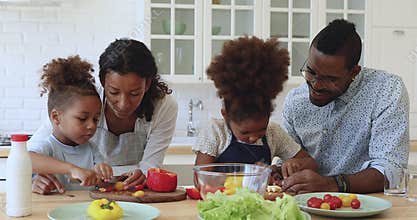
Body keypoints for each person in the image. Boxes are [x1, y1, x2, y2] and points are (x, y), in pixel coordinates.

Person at [28, 39, 178, 192]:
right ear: (102, 82)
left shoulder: (164, 106)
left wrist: (142, 174)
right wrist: (36, 178)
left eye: (134, 93)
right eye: (113, 92)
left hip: (129, 192)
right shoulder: (87, 99)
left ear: (147, 85)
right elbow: (26, 156)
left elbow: (150, 166)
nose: (123, 104)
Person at [282, 19, 409, 194]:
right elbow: (288, 157)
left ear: (354, 73)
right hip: (306, 204)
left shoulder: (386, 90)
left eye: (330, 79)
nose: (316, 85)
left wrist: (331, 184)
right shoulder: (295, 101)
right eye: (311, 71)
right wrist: (282, 170)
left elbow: (391, 170)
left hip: (365, 207)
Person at [193, 36, 318, 179]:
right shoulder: (215, 132)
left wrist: (290, 165)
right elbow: (200, 179)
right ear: (225, 115)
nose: (253, 138)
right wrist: (248, 175)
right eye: (245, 132)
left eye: (261, 130)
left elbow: (312, 164)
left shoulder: (273, 133)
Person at [30, 55, 113, 194]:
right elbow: (26, 160)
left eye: (96, 119)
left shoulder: (93, 149)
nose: (92, 126)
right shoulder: (48, 148)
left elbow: (100, 182)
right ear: (56, 117)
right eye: (82, 118)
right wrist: (72, 169)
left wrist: (103, 174)